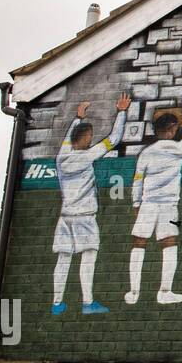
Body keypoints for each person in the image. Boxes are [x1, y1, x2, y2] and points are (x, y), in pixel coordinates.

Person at [127, 92, 182, 306]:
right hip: (168, 207)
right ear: (172, 129)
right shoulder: (178, 149)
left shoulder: (145, 153)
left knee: (139, 243)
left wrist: (136, 204)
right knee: (169, 244)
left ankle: (133, 291)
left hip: (147, 205)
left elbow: (137, 180)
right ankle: (165, 291)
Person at [51, 94, 130, 315]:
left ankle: (57, 303)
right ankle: (88, 302)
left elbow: (67, 139)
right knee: (88, 257)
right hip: (84, 216)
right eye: (90, 136)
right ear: (85, 138)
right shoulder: (86, 157)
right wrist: (121, 112)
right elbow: (114, 139)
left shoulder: (61, 157)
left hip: (65, 217)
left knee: (63, 259)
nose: (92, 139)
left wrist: (77, 117)